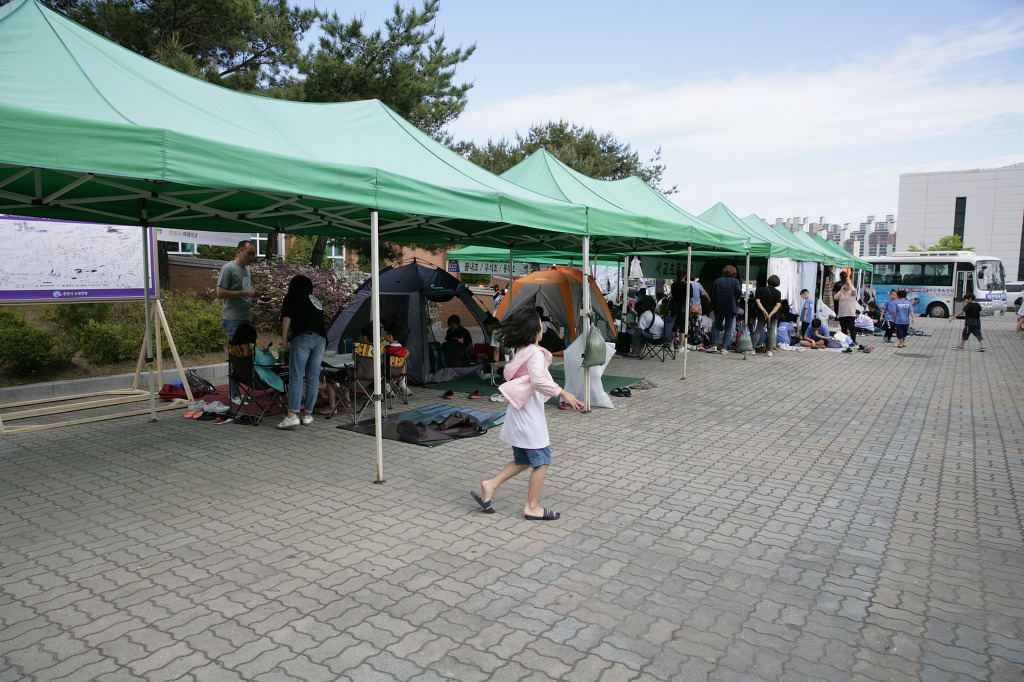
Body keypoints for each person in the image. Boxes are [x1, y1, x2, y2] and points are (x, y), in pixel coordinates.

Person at [471, 307, 583, 521]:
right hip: (529, 415)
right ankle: (532, 507)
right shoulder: (535, 353)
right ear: (534, 330)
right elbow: (539, 380)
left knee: (524, 459)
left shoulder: (521, 350)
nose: (542, 328)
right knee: (542, 460)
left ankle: (490, 485)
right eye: (540, 324)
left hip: (519, 411)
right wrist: (562, 393)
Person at [277, 274, 327, 429]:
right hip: (321, 339)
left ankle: (292, 415)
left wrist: (284, 338)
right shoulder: (315, 300)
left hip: (303, 337)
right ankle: (308, 415)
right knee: (313, 377)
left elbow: (287, 317)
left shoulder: (291, 297)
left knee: (297, 376)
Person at [217, 240, 256, 405]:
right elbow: (220, 293)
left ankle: (241, 391)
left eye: (253, 254)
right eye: (249, 253)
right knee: (236, 357)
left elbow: (245, 293)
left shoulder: (247, 270)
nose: (252, 257)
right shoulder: (228, 269)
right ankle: (234, 394)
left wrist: (254, 297)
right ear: (239, 252)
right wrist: (245, 293)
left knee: (246, 357)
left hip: (245, 318)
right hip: (232, 319)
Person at [708, 265, 742, 353]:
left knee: (716, 326)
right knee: (728, 328)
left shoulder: (717, 281)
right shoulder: (735, 281)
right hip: (731, 307)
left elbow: (713, 294)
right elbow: (739, 292)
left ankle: (714, 345)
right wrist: (737, 298)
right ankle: (724, 347)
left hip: (719, 306)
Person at [752, 275, 783, 356]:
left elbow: (758, 301)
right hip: (774, 315)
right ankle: (769, 350)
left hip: (762, 315)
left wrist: (764, 311)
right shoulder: (778, 293)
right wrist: (771, 314)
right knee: (771, 332)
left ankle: (752, 349)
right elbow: (778, 305)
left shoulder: (761, 290)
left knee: (758, 331)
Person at [834, 278, 859, 345]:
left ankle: (853, 340)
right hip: (842, 313)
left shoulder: (852, 292)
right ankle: (844, 341)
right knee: (843, 328)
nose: (846, 286)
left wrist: (849, 282)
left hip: (850, 313)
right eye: (845, 284)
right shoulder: (841, 292)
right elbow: (835, 297)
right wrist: (841, 290)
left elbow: (853, 290)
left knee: (851, 328)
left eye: (847, 285)